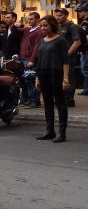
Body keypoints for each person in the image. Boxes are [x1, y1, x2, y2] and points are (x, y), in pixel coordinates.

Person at [35, 15, 69, 143]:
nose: (43, 28)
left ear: (52, 25)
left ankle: (62, 133)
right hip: (43, 74)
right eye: (41, 26)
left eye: (45, 25)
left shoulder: (61, 40)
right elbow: (40, 60)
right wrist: (37, 78)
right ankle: (50, 131)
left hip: (56, 74)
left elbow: (66, 61)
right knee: (47, 103)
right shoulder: (42, 40)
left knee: (60, 103)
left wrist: (65, 79)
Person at [55, 8, 82, 107]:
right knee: (60, 78)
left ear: (66, 15)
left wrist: (67, 54)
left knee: (69, 77)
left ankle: (69, 100)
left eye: (60, 15)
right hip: (58, 57)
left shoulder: (72, 27)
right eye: (56, 15)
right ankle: (62, 99)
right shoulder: (57, 27)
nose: (57, 17)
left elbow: (77, 42)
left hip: (69, 58)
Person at [20, 12, 45, 108]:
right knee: (28, 81)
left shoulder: (39, 31)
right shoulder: (28, 30)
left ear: (37, 19)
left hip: (30, 60)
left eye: (31, 19)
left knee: (32, 80)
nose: (29, 21)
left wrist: (32, 60)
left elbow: (36, 47)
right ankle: (30, 100)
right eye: (28, 19)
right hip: (24, 59)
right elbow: (16, 30)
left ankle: (35, 101)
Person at [76, 5, 88, 95]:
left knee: (85, 70)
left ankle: (87, 89)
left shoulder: (85, 23)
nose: (79, 13)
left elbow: (85, 37)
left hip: (86, 50)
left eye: (81, 11)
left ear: (86, 12)